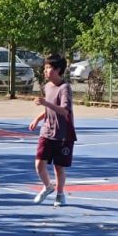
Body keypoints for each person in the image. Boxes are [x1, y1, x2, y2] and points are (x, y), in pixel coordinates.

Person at [28, 54, 76, 207]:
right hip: (47, 131)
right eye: (45, 67)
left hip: (63, 134)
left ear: (58, 70)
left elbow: (64, 111)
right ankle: (48, 186)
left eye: (49, 68)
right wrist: (38, 118)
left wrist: (46, 104)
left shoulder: (65, 88)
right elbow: (50, 109)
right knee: (38, 164)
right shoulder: (47, 86)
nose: (45, 71)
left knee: (58, 167)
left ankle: (60, 194)